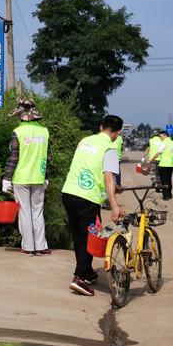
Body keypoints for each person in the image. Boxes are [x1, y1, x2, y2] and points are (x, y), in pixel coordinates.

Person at [62, 115, 127, 296]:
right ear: (117, 133)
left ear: (100, 127)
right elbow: (108, 178)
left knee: (79, 236)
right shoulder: (110, 149)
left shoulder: (85, 141)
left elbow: (89, 166)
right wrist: (114, 207)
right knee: (90, 238)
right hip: (87, 198)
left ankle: (88, 272)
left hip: (68, 193)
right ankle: (80, 277)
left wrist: (114, 188)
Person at [2, 99, 52, 256]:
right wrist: (47, 176)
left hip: (21, 178)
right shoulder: (44, 131)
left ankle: (28, 246)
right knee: (38, 211)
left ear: (20, 115)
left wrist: (7, 178)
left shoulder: (18, 132)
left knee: (25, 212)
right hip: (39, 177)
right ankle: (41, 246)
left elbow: (14, 157)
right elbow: (48, 157)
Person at [148, 130, 173, 200]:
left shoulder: (164, 143)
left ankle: (165, 196)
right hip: (171, 165)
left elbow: (158, 153)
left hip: (163, 164)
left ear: (165, 135)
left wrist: (150, 160)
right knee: (169, 180)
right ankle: (169, 194)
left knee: (164, 181)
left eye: (161, 136)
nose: (160, 138)